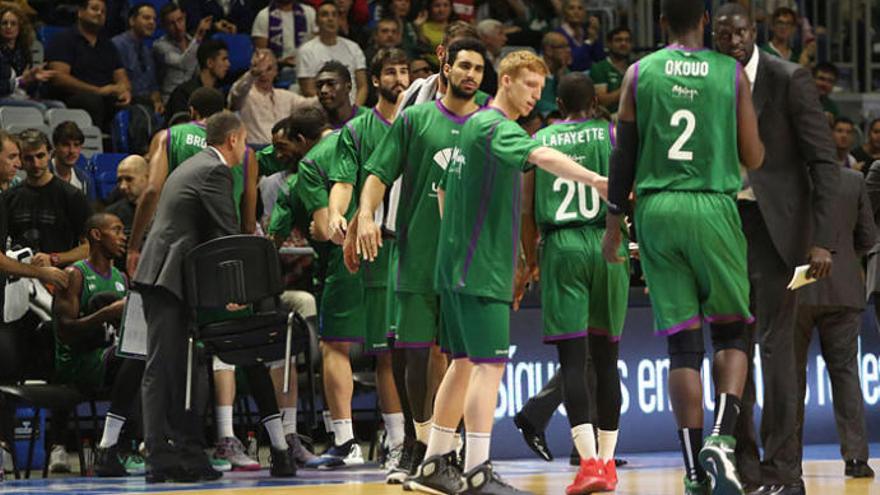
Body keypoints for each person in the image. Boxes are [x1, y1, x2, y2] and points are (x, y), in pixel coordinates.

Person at [400, 50, 608, 495]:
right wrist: (594, 180)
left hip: (456, 266)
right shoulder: (496, 126)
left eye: (541, 88)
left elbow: (442, 194)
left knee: (461, 366)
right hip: (479, 270)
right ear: (507, 80)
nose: (537, 95)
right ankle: (477, 469)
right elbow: (544, 155)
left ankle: (435, 461)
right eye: (530, 86)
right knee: (488, 368)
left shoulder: (471, 128)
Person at [603, 1, 765, 493]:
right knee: (733, 333)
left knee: (683, 347)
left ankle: (694, 471)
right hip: (711, 207)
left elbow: (623, 154)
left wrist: (615, 226)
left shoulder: (638, 73)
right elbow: (753, 154)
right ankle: (722, 436)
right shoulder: (730, 72)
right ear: (705, 23)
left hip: (655, 210)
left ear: (660, 24)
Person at [714, 4, 840, 493]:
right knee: (730, 350)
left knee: (776, 351)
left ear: (754, 33)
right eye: (724, 34)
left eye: (741, 32)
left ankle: (784, 471)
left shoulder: (789, 78)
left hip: (778, 233)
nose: (733, 41)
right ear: (713, 36)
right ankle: (741, 469)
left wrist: (823, 239)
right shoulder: (705, 84)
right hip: (722, 225)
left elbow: (823, 163)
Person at [353, 38, 487, 479]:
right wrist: (367, 216)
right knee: (411, 354)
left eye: (477, 68)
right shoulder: (414, 118)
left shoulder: (489, 119)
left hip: (467, 263)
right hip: (416, 252)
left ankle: (456, 451)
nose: (469, 74)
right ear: (446, 68)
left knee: (463, 360)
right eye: (463, 66)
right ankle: (417, 444)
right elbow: (377, 172)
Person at [520, 72, 627, 493]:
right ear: (596, 103)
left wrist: (529, 261)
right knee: (606, 359)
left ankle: (588, 464)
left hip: (562, 246)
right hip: (608, 241)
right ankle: (609, 460)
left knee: (572, 361)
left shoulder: (542, 140)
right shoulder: (613, 134)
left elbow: (528, 209)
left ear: (559, 107)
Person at [134, 111, 246, 483]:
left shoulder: (194, 165)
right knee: (166, 368)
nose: (245, 151)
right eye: (245, 142)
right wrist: (235, 290)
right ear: (233, 140)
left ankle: (179, 454)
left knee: (176, 368)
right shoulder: (215, 171)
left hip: (168, 275)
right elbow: (226, 235)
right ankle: (165, 456)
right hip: (168, 277)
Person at [326, 47, 410, 482]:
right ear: (375, 80)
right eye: (390, 72)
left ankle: (438, 439)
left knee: (431, 350)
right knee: (389, 351)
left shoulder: (424, 122)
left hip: (424, 245)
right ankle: (399, 442)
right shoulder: (358, 131)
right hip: (382, 245)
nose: (399, 78)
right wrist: (340, 213)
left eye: (404, 71)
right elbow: (342, 182)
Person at [794, 166, 875, 481]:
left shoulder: (785, 177)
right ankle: (856, 459)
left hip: (795, 289)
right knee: (846, 375)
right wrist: (838, 260)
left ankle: (788, 461)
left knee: (790, 378)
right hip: (842, 287)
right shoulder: (853, 180)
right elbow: (868, 237)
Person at [52, 213, 147, 477]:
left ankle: (149, 443)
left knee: (147, 355)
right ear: (96, 234)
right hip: (77, 362)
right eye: (116, 230)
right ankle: (120, 447)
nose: (123, 237)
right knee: (131, 357)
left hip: (110, 357)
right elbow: (65, 332)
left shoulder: (121, 277)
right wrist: (106, 313)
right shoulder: (74, 274)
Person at [4, 129, 92, 268]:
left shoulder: (72, 196)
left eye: (40, 156)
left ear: (49, 155)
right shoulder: (9, 197)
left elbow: (89, 247)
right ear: (20, 159)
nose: (36, 163)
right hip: (20, 279)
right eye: (28, 158)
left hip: (60, 277)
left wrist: (55, 258)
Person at [45, 0, 132, 131]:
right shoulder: (63, 39)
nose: (99, 14)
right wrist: (97, 91)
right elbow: (59, 78)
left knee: (138, 104)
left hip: (105, 96)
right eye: (95, 9)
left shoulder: (108, 45)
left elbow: (122, 77)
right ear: (80, 12)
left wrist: (124, 91)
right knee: (92, 101)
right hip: (72, 96)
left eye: (103, 12)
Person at [228, 48, 318, 146]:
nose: (263, 74)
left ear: (276, 71)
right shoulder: (245, 94)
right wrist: (252, 74)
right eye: (259, 69)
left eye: (269, 69)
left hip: (282, 149)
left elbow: (312, 104)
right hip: (255, 151)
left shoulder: (285, 96)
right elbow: (236, 95)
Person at [296, 0, 368, 106]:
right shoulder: (306, 51)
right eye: (325, 15)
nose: (330, 19)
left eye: (334, 15)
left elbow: (362, 86)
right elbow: (308, 91)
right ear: (317, 21)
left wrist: (354, 111)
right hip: (322, 112)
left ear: (339, 20)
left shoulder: (353, 48)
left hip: (353, 111)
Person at [153, 3, 213, 102]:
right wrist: (198, 37)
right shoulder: (159, 46)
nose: (177, 27)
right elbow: (183, 63)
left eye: (180, 20)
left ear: (185, 18)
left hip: (193, 95)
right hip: (171, 98)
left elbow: (198, 72)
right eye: (171, 23)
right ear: (164, 26)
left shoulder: (192, 42)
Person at [111, 3, 163, 115]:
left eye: (154, 19)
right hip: (126, 104)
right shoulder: (117, 45)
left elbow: (153, 86)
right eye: (146, 18)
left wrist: (157, 101)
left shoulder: (147, 50)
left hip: (146, 105)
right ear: (132, 21)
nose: (152, 22)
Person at [164, 38, 230, 124]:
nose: (228, 64)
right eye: (224, 59)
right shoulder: (183, 93)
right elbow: (180, 129)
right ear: (209, 63)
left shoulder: (219, 94)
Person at [251, 0, 316, 70]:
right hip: (277, 69)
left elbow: (317, 44)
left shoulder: (309, 12)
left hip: (307, 65)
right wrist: (281, 62)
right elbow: (261, 55)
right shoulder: (263, 15)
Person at [49, 121, 96, 201]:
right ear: (55, 146)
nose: (72, 151)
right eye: (66, 145)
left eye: (76, 145)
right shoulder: (42, 174)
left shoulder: (84, 180)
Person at [589, 26, 631, 116]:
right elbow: (601, 101)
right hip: (608, 119)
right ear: (609, 44)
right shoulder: (599, 68)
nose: (624, 43)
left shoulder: (635, 67)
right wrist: (628, 88)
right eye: (618, 40)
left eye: (627, 40)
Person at [315, 60, 369, 129]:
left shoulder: (369, 120)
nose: (323, 90)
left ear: (348, 87)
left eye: (331, 84)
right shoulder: (315, 125)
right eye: (319, 85)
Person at [105, 154, 149, 239]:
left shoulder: (164, 210)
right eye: (119, 180)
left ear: (147, 178)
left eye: (129, 179)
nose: (122, 186)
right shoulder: (111, 214)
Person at [555, 0, 604, 72]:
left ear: (584, 13)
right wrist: (589, 41)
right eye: (571, 8)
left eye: (580, 8)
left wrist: (595, 37)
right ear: (564, 12)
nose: (576, 12)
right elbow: (573, 63)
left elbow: (600, 59)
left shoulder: (588, 32)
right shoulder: (558, 34)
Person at [535, 31, 571, 116]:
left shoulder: (565, 71)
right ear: (549, 51)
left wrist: (562, 79)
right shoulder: (533, 71)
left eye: (568, 46)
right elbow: (536, 103)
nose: (568, 50)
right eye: (563, 47)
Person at [475, 19, 506, 95]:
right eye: (500, 34)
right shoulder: (477, 60)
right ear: (486, 38)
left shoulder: (504, 59)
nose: (505, 39)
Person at [418, 0, 452, 67]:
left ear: (451, 8)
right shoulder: (422, 27)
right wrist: (418, 27)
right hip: (429, 66)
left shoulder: (456, 27)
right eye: (437, 6)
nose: (441, 10)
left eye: (445, 5)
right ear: (430, 8)